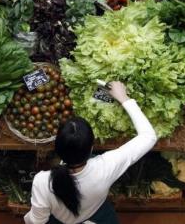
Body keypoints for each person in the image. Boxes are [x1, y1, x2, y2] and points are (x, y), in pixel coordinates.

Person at [24, 81, 158, 224]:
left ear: (57, 149)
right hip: (97, 215)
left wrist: (29, 217)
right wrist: (124, 98)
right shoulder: (106, 167)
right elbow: (149, 136)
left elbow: (36, 222)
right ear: (91, 148)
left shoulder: (42, 181)